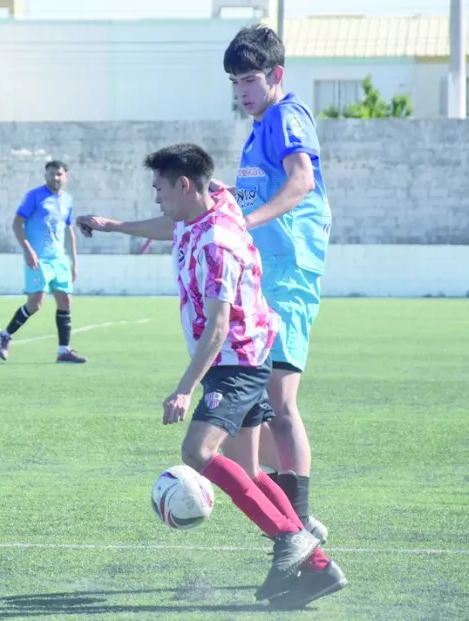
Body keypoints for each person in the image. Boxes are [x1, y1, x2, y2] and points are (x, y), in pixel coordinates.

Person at [76, 143, 345, 609]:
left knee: (197, 451)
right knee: (248, 470)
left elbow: (219, 325)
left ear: (183, 185)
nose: (155, 197)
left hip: (236, 361)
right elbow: (171, 224)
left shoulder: (217, 241)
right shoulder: (211, 201)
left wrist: (184, 390)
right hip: (245, 355)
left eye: (159, 188)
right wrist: (115, 226)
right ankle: (319, 569)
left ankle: (289, 537)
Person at [214, 24, 335, 544]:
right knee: (263, 406)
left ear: (275, 75)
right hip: (266, 276)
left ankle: (300, 522)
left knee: (279, 404)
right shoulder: (260, 126)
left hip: (288, 272)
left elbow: (302, 179)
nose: (241, 91)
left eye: (249, 79)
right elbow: (253, 197)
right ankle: (290, 520)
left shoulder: (286, 115)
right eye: (234, 82)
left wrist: (248, 220)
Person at [0, 160, 86, 364]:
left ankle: (63, 350)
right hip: (39, 259)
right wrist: (27, 250)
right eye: (51, 174)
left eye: (59, 174)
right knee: (35, 304)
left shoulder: (67, 201)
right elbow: (17, 223)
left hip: (59, 258)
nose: (55, 178)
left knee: (65, 301)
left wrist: (73, 261)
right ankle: (5, 335)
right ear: (46, 176)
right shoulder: (34, 196)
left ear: (66, 177)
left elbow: (68, 230)